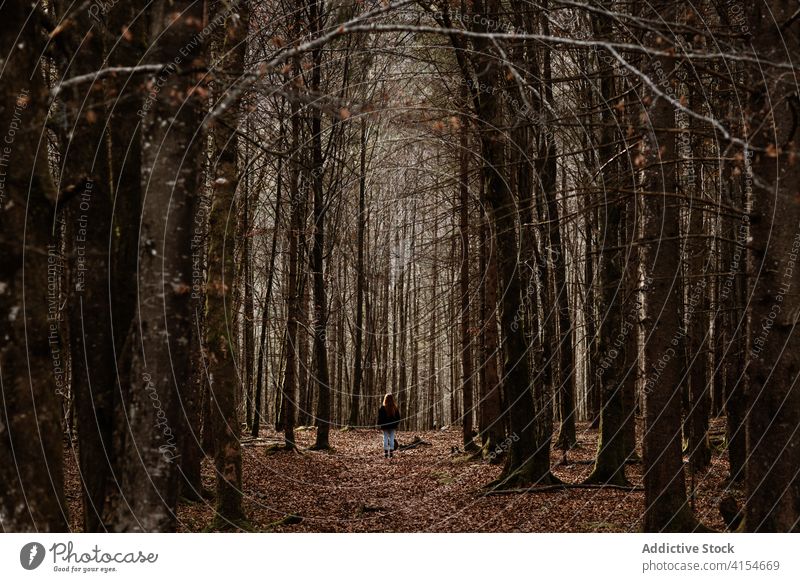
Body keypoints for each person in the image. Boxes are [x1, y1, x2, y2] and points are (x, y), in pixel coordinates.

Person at [376, 393, 400, 459]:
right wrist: (396, 425)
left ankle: (386, 453)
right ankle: (391, 453)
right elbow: (398, 418)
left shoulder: (382, 408)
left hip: (385, 427)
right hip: (392, 426)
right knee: (392, 438)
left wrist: (380, 424)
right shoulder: (395, 408)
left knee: (385, 438)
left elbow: (379, 418)